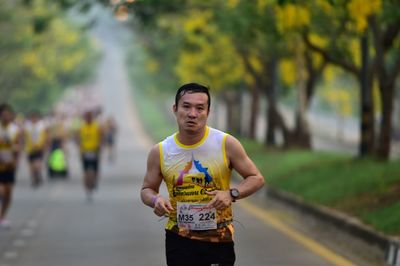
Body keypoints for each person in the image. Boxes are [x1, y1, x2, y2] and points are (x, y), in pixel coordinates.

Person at [141, 83, 265, 266]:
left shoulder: (226, 143)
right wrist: (155, 200)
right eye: (186, 106)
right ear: (175, 109)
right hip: (179, 238)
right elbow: (147, 189)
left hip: (219, 237)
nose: (192, 114)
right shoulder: (160, 151)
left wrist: (231, 194)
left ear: (208, 112)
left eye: (200, 108)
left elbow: (256, 178)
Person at [0, 103, 22, 228]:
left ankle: (2, 217)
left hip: (9, 166)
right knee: (1, 191)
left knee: (8, 194)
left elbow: (18, 147)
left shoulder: (15, 130)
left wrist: (15, 160)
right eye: (3, 115)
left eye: (8, 115)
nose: (6, 117)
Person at [77, 110, 102, 201]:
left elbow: (101, 136)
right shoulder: (82, 128)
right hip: (85, 152)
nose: (88, 119)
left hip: (94, 151)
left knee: (94, 171)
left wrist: (99, 146)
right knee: (86, 172)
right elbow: (78, 138)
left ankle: (94, 182)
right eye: (86, 117)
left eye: (89, 117)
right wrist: (80, 148)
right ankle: (87, 189)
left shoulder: (96, 127)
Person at [24, 111, 49, 187]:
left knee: (37, 166)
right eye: (32, 117)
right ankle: (34, 179)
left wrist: (45, 146)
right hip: (30, 149)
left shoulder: (42, 126)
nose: (34, 119)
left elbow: (47, 137)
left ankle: (38, 175)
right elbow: (22, 137)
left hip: (39, 149)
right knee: (32, 167)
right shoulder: (27, 127)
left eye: (35, 117)